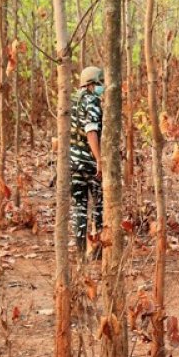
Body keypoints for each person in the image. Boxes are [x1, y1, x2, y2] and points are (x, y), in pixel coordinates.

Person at [70, 66, 105, 260]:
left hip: (73, 163)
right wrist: (99, 159)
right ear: (94, 83)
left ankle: (80, 253)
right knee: (99, 205)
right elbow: (91, 130)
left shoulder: (72, 100)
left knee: (79, 208)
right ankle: (98, 249)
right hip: (90, 163)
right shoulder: (91, 100)